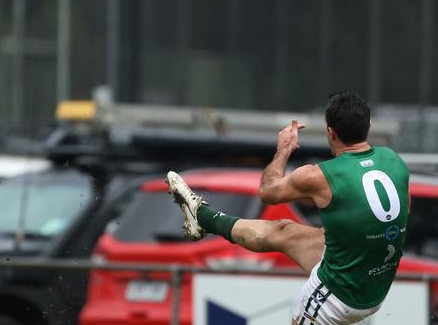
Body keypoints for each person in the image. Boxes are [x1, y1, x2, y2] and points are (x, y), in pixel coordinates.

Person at [167, 91, 409, 325]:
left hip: (339, 295)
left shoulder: (319, 176)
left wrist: (284, 149)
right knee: (284, 231)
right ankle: (202, 217)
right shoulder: (393, 160)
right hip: (374, 283)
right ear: (368, 124)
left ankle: (202, 218)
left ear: (330, 132)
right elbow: (400, 215)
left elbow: (267, 192)